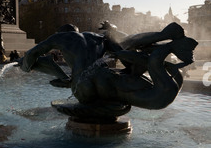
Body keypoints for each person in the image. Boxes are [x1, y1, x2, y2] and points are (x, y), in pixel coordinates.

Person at [20, 22, 197, 111]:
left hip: (84, 88)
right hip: (106, 80)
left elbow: (31, 55)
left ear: (64, 32)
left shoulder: (62, 37)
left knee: (82, 86)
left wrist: (26, 66)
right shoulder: (97, 38)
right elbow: (125, 55)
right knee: (127, 43)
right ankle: (162, 36)